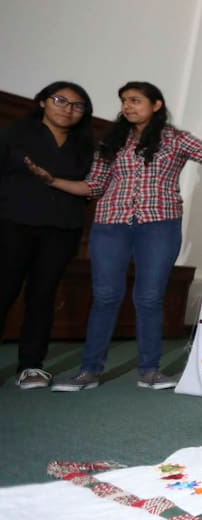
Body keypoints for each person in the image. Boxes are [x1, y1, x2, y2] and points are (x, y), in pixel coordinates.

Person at [26, 82, 202, 392]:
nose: (128, 106)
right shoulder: (112, 141)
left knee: (150, 297)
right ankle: (88, 371)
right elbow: (94, 187)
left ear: (156, 105)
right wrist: (52, 180)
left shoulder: (175, 138)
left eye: (135, 100)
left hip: (160, 225)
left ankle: (150, 372)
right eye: (124, 101)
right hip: (110, 225)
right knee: (105, 297)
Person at [0, 82, 95, 389]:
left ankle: (31, 366)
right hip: (14, 222)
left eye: (77, 105)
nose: (68, 109)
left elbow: (92, 186)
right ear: (42, 102)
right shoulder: (16, 134)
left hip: (62, 228)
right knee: (3, 290)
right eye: (60, 100)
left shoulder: (86, 146)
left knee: (42, 295)